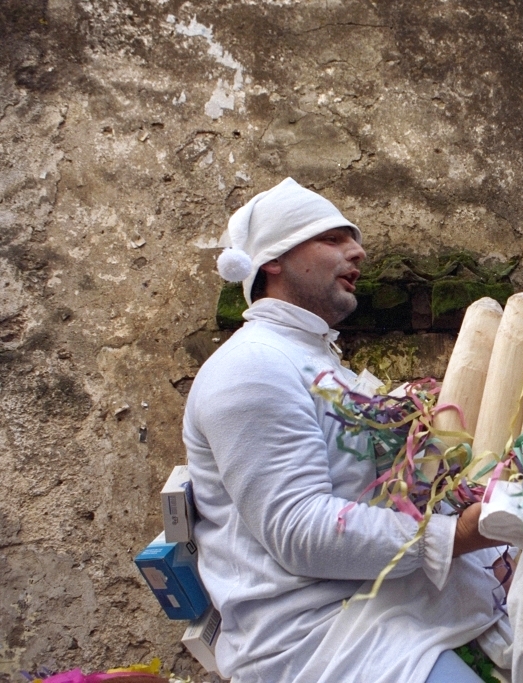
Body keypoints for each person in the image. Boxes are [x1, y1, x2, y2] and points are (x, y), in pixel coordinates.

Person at [184, 178, 503, 683]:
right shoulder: (251, 367)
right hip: (315, 636)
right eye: (332, 239)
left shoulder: (315, 359)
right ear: (273, 259)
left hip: (376, 603)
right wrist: (459, 534)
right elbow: (302, 530)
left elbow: (371, 490)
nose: (357, 251)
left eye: (351, 238)